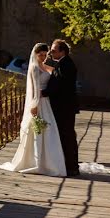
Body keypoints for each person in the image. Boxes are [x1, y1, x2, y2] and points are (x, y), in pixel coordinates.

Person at [0, 43, 67, 176]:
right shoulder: (34, 68)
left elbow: (55, 74)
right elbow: (34, 88)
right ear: (35, 55)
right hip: (39, 102)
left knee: (49, 131)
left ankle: (50, 163)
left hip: (46, 102)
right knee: (39, 131)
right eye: (40, 55)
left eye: (45, 55)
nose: (42, 57)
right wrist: (34, 106)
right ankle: (36, 162)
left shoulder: (44, 66)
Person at [42, 39, 80, 177]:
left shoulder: (66, 65)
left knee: (67, 136)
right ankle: (68, 165)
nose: (51, 53)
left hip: (65, 107)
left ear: (62, 51)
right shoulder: (63, 63)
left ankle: (71, 167)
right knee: (66, 136)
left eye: (53, 50)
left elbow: (60, 86)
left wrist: (44, 93)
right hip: (64, 107)